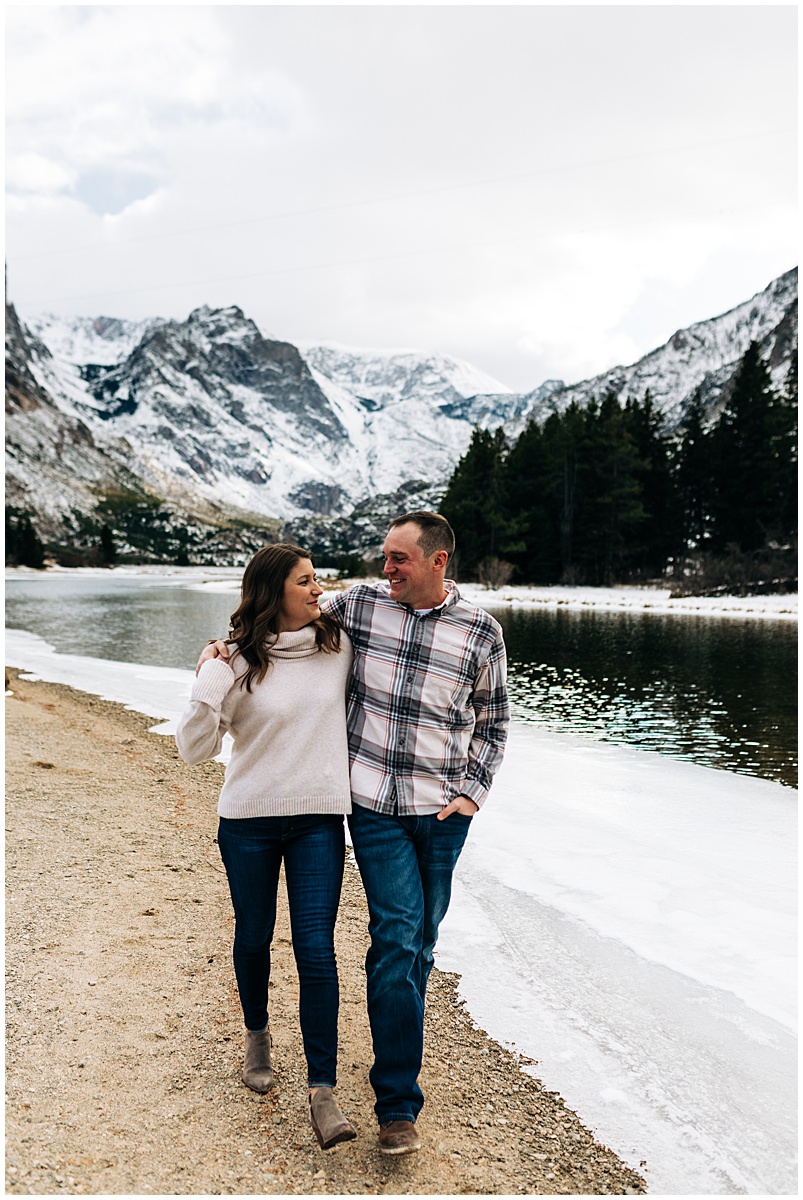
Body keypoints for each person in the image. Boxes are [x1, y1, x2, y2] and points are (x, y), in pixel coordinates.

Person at [200, 512, 509, 1156]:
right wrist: (219, 654)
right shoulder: (361, 607)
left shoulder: (481, 630)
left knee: (418, 947)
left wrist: (470, 794)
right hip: (371, 808)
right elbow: (277, 607)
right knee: (396, 938)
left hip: (442, 813)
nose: (385, 568)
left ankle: (392, 1063)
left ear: (438, 562)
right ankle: (396, 1106)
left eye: (398, 558)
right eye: (385, 556)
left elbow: (494, 721)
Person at [177, 543, 357, 1151]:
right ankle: (257, 1034)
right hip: (249, 821)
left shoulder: (339, 648)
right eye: (306, 582)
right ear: (273, 591)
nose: (319, 590)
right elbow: (194, 750)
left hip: (318, 822)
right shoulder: (237, 660)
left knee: (315, 946)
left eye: (318, 580)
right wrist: (209, 677)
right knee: (254, 933)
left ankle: (322, 1090)